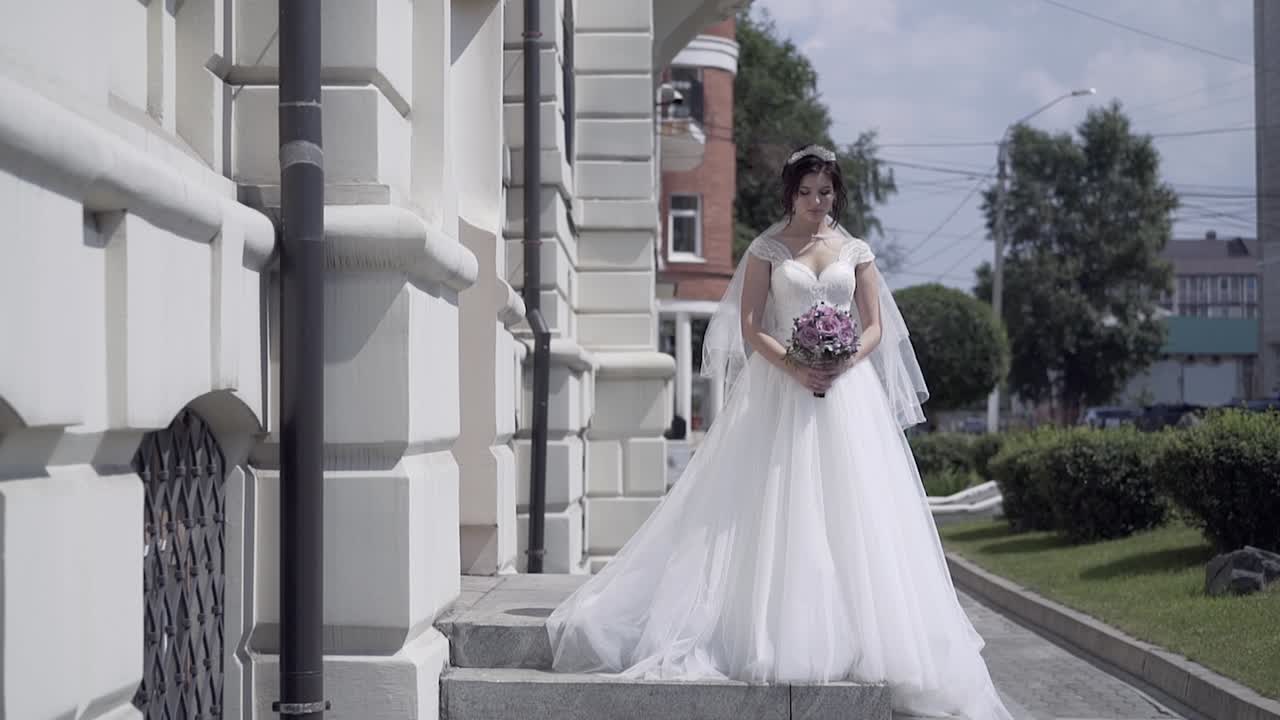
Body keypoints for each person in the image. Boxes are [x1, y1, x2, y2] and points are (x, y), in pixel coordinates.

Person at [545, 144, 1013, 719]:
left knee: (854, 508)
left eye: (825, 192)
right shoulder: (767, 249)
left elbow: (875, 326)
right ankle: (774, 630)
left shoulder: (856, 251)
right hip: (779, 390)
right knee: (776, 504)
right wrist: (794, 363)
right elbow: (747, 324)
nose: (817, 202)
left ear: (835, 192)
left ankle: (866, 633)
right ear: (790, 194)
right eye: (806, 192)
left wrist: (842, 360)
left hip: (847, 395)